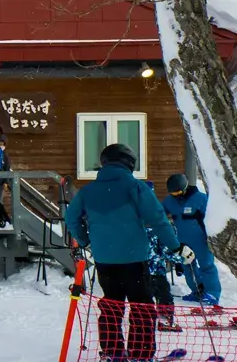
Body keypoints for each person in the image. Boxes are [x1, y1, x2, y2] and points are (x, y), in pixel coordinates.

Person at [65, 144, 194, 362]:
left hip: (104, 259)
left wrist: (86, 239)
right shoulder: (136, 187)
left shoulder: (88, 191)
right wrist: (176, 247)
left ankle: (112, 352)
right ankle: (141, 354)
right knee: (141, 306)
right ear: (128, 162)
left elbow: (71, 218)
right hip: (134, 258)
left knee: (111, 304)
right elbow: (158, 220)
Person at [162, 173, 222, 305]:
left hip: (201, 240)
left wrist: (211, 237)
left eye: (178, 192)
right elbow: (159, 214)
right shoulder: (169, 201)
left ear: (185, 188)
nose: (176, 195)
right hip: (182, 241)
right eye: (173, 193)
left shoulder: (201, 199)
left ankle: (212, 293)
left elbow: (212, 219)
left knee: (207, 265)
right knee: (188, 266)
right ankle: (197, 291)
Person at [143, 181, 184, 332]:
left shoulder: (131, 216)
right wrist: (178, 262)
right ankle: (165, 318)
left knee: (142, 295)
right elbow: (168, 246)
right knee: (163, 293)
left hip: (136, 267)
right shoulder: (158, 218)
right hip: (156, 268)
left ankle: (143, 319)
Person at [0, 135, 12, 201]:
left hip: (0, 181)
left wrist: (6, 182)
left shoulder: (5, 156)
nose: (1, 145)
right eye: (0, 143)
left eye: (2, 144)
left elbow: (7, 169)